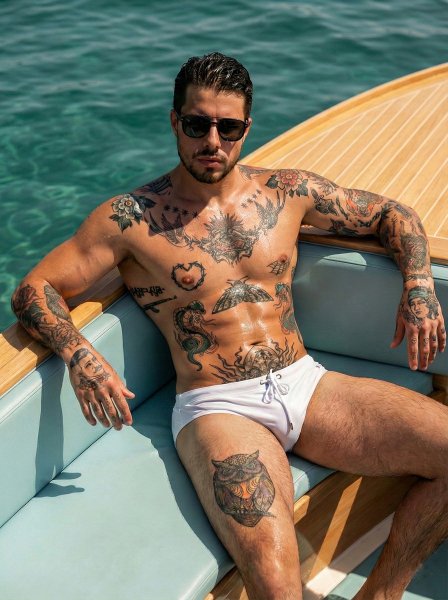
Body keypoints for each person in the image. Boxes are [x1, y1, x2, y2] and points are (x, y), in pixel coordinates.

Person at [11, 52, 447, 599]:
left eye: (228, 127)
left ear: (247, 127)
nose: (212, 141)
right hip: (218, 407)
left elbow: (392, 215)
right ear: (175, 122)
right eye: (198, 125)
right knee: (275, 581)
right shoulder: (131, 219)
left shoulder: (286, 192)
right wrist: (80, 355)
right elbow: (34, 289)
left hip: (306, 384)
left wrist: (419, 286)